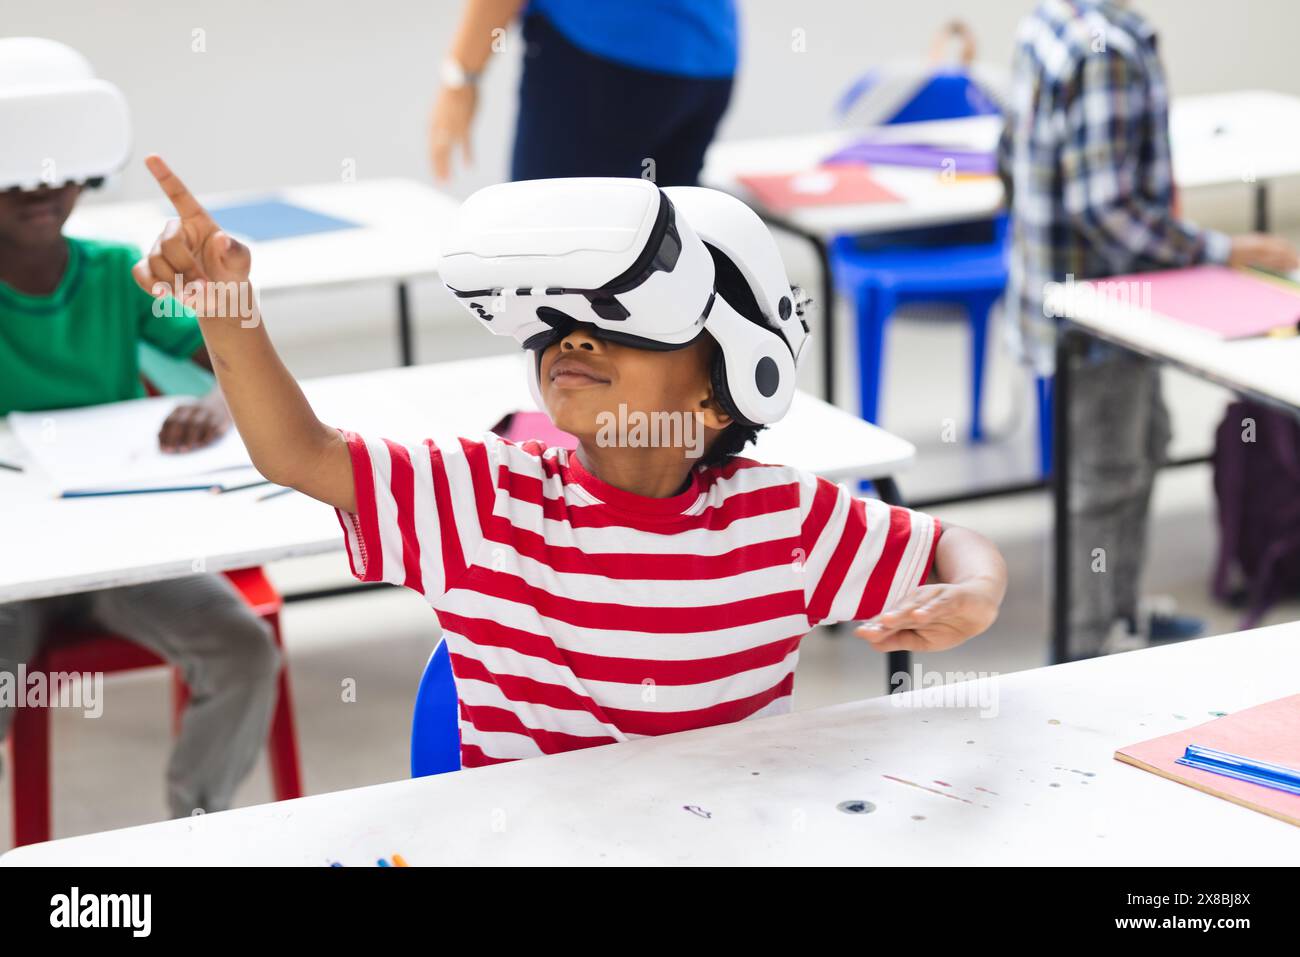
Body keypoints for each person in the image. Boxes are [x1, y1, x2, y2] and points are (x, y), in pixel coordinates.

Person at [133, 157, 1009, 768]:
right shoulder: (483, 502)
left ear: (727, 381)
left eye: (624, 323)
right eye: (556, 324)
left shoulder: (784, 524)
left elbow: (950, 546)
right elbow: (300, 453)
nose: (573, 339)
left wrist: (976, 589)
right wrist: (225, 309)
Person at [0, 39, 280, 817]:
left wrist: (219, 404)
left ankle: (194, 827)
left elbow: (234, 361)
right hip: (11, 562)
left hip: (124, 543)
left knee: (242, 648)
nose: (41, 186)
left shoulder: (114, 276)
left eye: (59, 162)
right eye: (15, 164)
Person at [998, 1, 1300, 659]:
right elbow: (1108, 211)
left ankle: (1122, 613)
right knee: (1105, 482)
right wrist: (1223, 249)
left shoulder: (1052, 21)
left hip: (1074, 296)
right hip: (1102, 318)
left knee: (1146, 441)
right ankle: (1081, 650)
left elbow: (1011, 155)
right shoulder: (1104, 50)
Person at [430, 0, 738, 185]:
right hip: (708, 54)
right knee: (665, 268)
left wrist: (461, 77)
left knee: (547, 260)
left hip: (599, 60)